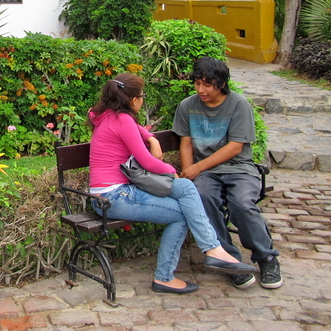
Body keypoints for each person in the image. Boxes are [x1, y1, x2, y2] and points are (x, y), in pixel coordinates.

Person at [88, 73, 256, 294]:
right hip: (113, 197)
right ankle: (167, 276)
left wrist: (151, 137)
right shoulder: (122, 119)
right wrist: (172, 172)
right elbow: (147, 161)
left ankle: (213, 250)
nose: (143, 99)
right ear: (133, 100)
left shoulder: (104, 114)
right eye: (142, 96)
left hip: (116, 192)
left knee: (186, 190)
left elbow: (131, 128)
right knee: (182, 212)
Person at [174, 57, 282, 290]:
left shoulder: (238, 104)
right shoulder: (187, 106)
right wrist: (188, 172)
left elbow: (235, 146)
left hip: (239, 168)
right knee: (202, 198)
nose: (201, 90)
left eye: (208, 84)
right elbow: (186, 143)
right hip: (207, 173)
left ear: (221, 83)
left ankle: (267, 257)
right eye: (197, 83)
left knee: (242, 203)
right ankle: (229, 259)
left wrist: (197, 167)